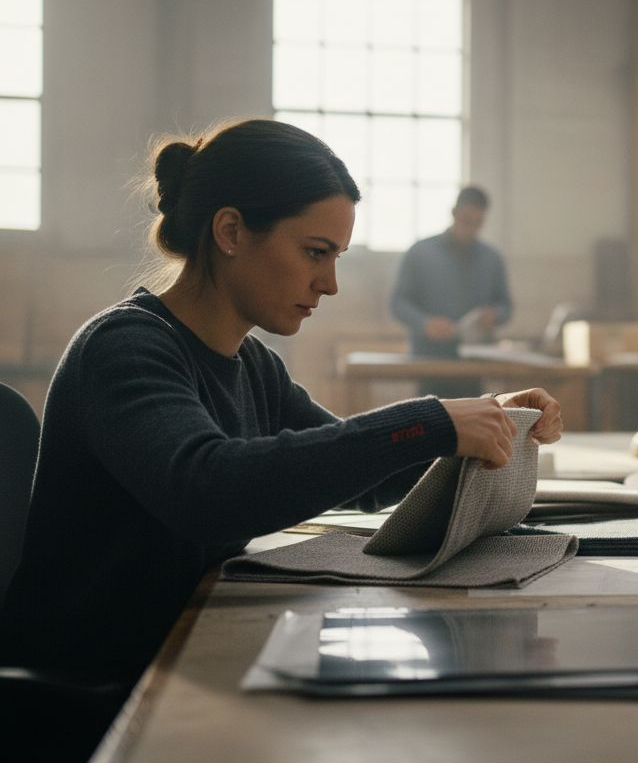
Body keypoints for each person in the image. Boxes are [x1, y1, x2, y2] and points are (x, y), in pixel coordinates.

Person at [0, 120, 563, 731]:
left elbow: (365, 474)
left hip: (187, 646)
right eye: (315, 253)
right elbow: (209, 490)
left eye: (337, 258)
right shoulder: (124, 348)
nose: (331, 283)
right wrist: (431, 423)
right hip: (96, 689)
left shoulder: (250, 364)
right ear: (232, 231)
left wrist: (491, 419)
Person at [390, 185, 513, 397]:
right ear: (454, 213)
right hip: (428, 359)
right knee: (430, 421)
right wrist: (425, 323)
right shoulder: (420, 252)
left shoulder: (492, 259)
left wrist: (494, 315)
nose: (470, 227)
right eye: (466, 219)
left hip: (474, 361)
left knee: (472, 421)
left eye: (477, 223)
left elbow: (506, 305)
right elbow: (398, 302)